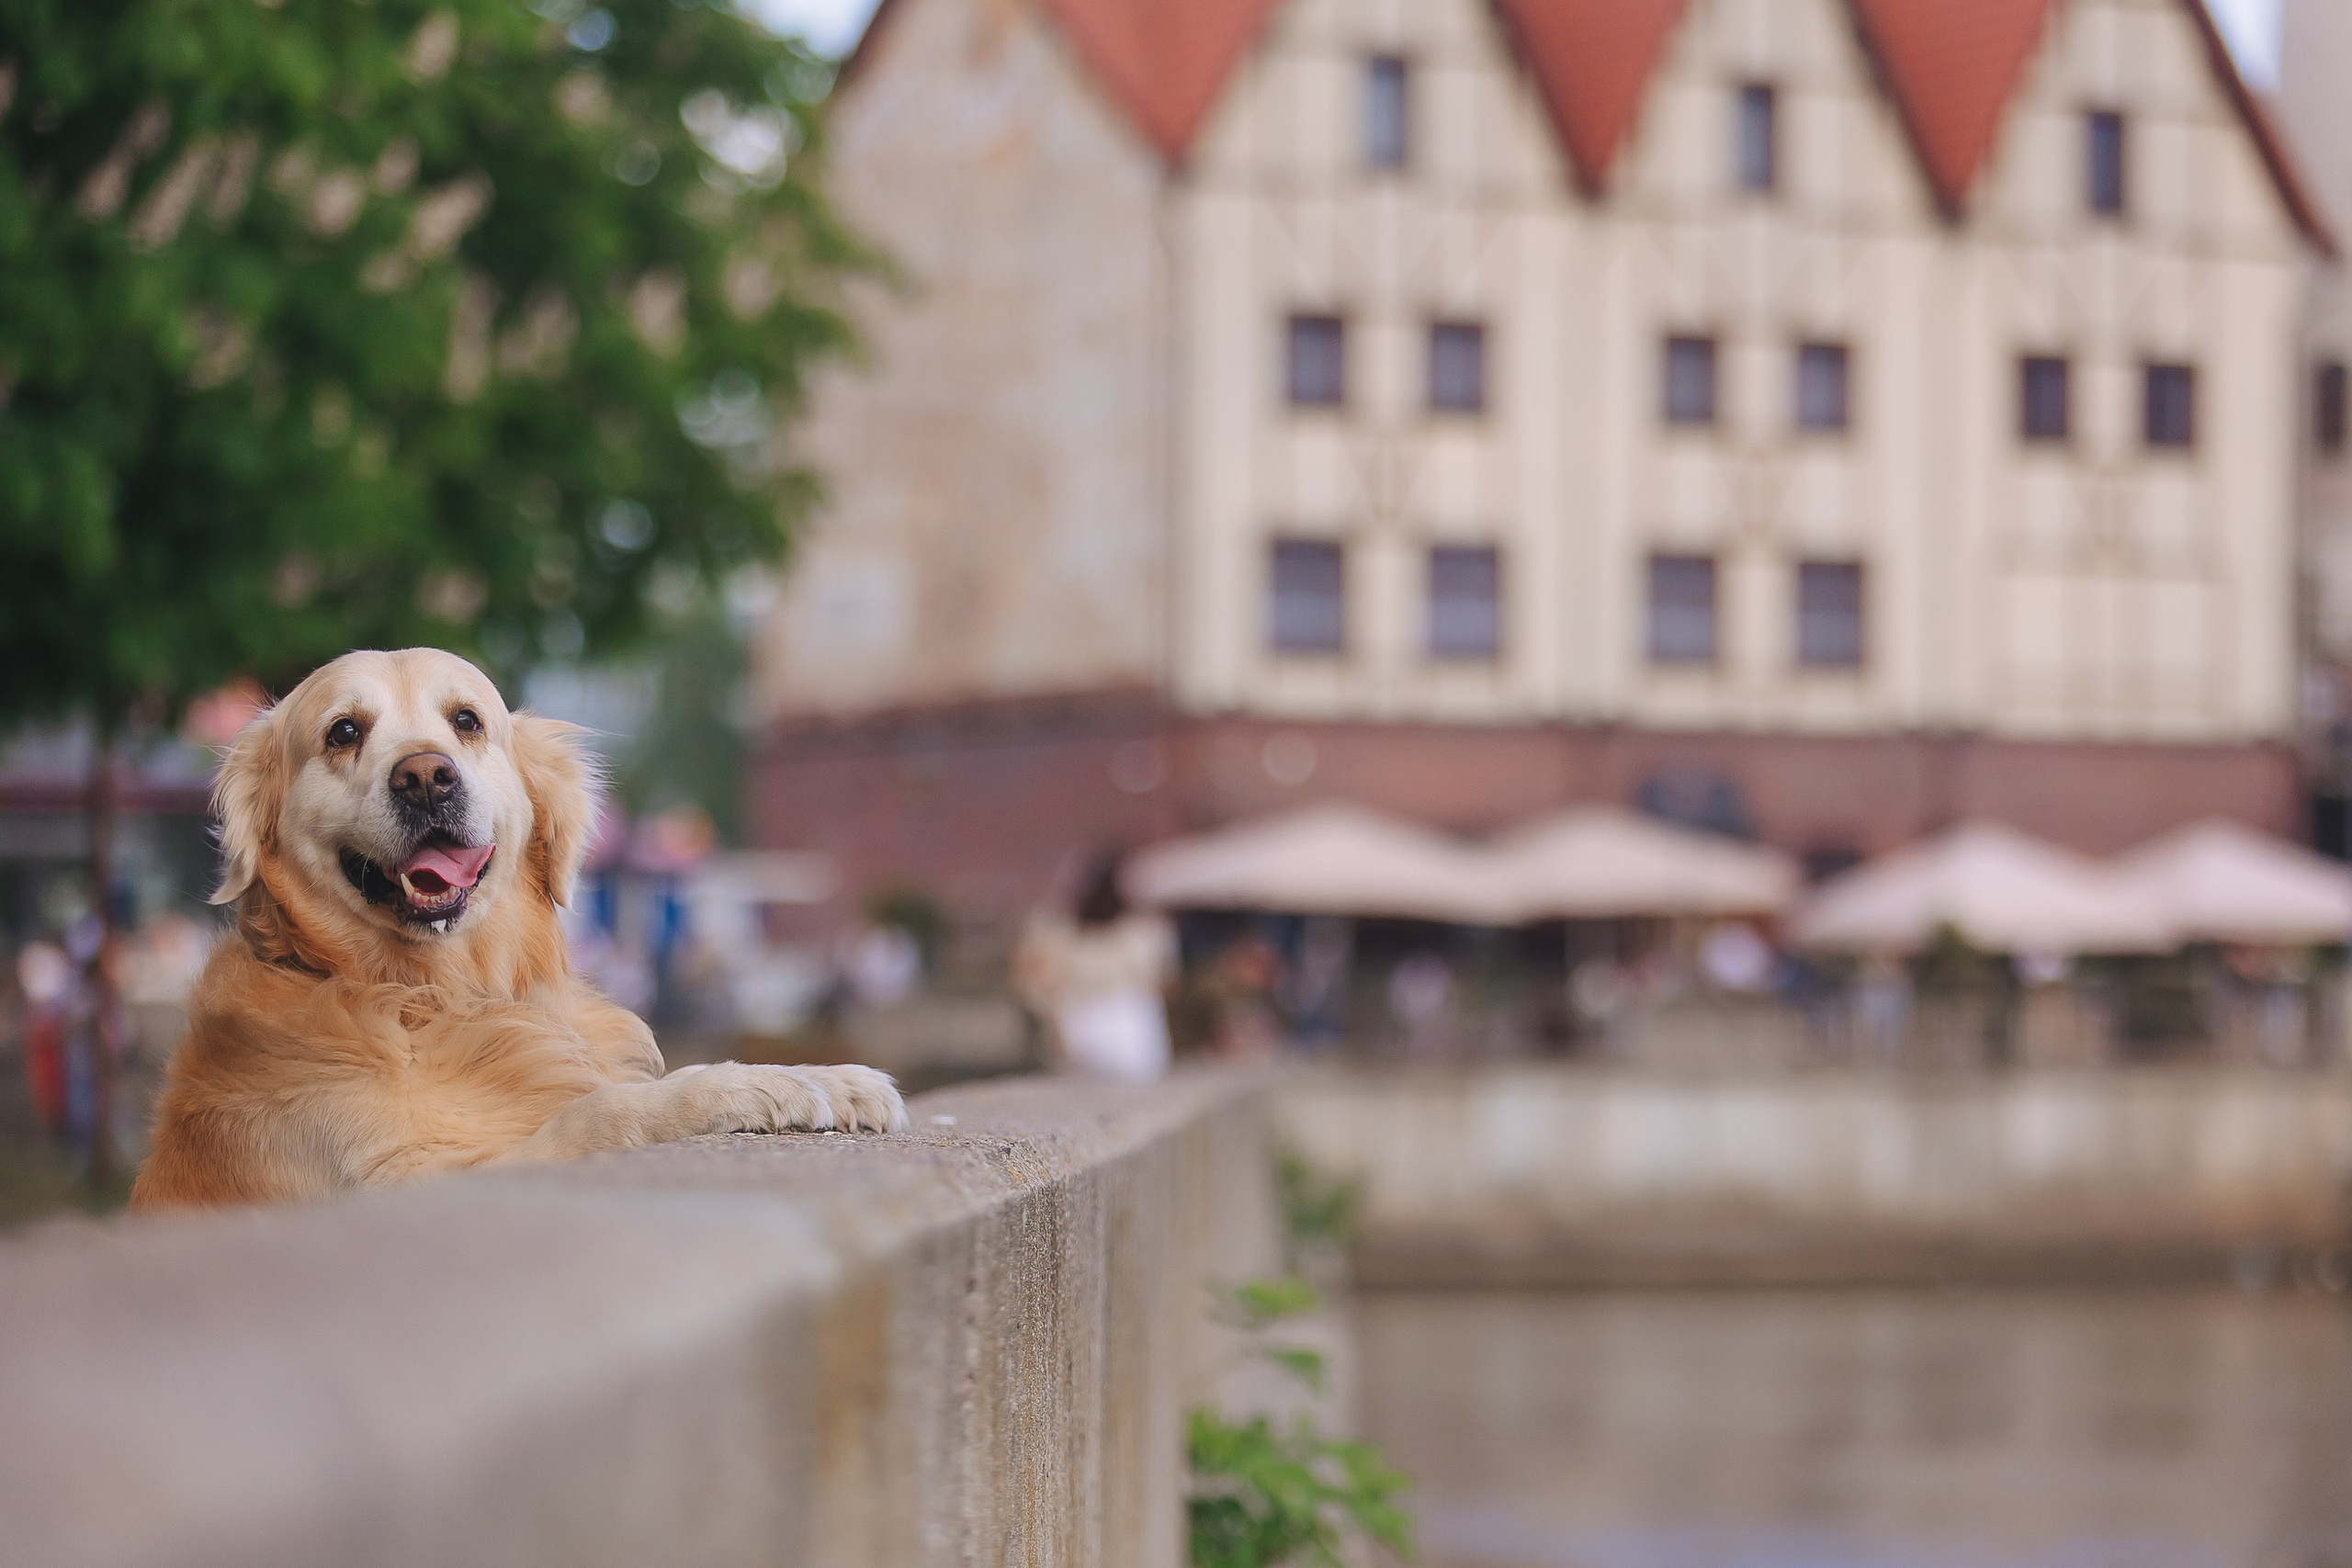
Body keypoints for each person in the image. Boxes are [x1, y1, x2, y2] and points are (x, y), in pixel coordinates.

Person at [1012, 850, 1176, 1082]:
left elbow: (1032, 986)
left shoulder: (1055, 930)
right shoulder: (1144, 932)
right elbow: (1162, 980)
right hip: (1124, 1022)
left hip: (1081, 1022)